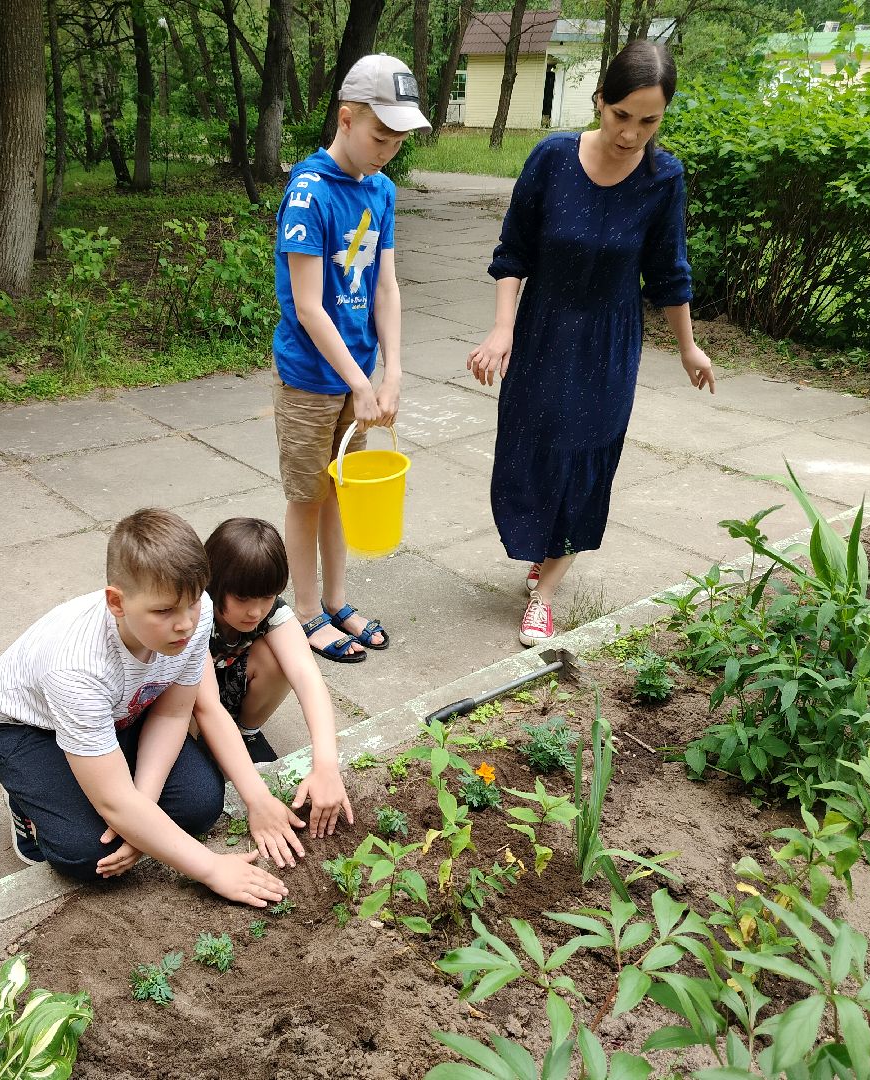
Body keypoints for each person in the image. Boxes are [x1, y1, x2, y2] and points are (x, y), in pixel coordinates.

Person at [466, 41, 715, 646]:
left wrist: (688, 346)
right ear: (600, 100)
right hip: (544, 331)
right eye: (621, 115)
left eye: (649, 121)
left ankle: (546, 590)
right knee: (531, 451)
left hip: (609, 343)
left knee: (586, 462)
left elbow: (668, 272)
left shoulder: (663, 177)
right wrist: (503, 328)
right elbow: (514, 252)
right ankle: (541, 547)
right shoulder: (552, 158)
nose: (632, 133)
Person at [0, 507, 288, 908]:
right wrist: (212, 869)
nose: (185, 625)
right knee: (90, 855)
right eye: (164, 611)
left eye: (192, 603)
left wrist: (137, 812)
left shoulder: (197, 613)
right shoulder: (76, 666)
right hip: (33, 731)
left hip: (124, 710)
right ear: (117, 602)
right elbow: (114, 802)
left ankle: (111, 783)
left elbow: (174, 712)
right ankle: (26, 805)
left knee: (200, 804)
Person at [272, 53, 431, 664]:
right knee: (308, 494)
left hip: (358, 375)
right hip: (313, 378)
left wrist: (390, 372)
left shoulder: (381, 190)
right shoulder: (309, 191)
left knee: (342, 489)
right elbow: (310, 307)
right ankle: (305, 611)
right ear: (345, 118)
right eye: (380, 135)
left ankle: (338, 601)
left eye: (398, 140)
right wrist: (356, 381)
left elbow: (387, 286)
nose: (388, 149)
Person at [191, 517, 355, 855]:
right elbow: (204, 704)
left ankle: (245, 736)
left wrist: (326, 765)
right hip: (190, 700)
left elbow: (307, 677)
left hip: (231, 690)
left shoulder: (271, 613)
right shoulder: (195, 615)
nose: (255, 611)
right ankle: (200, 751)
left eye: (266, 597)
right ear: (214, 582)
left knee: (283, 658)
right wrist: (258, 800)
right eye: (242, 599)